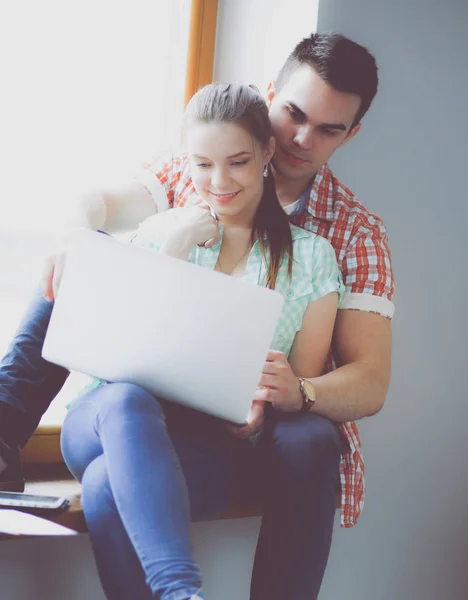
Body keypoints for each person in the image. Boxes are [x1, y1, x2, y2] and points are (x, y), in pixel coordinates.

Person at [0, 33, 394, 599]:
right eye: (293, 114)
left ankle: (180, 592)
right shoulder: (190, 184)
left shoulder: (339, 239)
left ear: (350, 135)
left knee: (112, 482)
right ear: (270, 97)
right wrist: (76, 237)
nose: (301, 139)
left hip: (220, 433)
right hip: (120, 406)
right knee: (115, 372)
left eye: (329, 129)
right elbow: (102, 220)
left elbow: (367, 379)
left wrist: (290, 392)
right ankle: (6, 424)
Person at [60, 81, 343, 600]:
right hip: (106, 420)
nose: (218, 181)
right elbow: (116, 348)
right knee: (127, 399)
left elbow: (298, 392)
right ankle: (181, 590)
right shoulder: (156, 232)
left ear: (266, 154)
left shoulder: (311, 258)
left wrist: (266, 397)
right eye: (202, 164)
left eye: (236, 162)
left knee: (104, 486)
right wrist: (176, 242)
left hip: (207, 447)